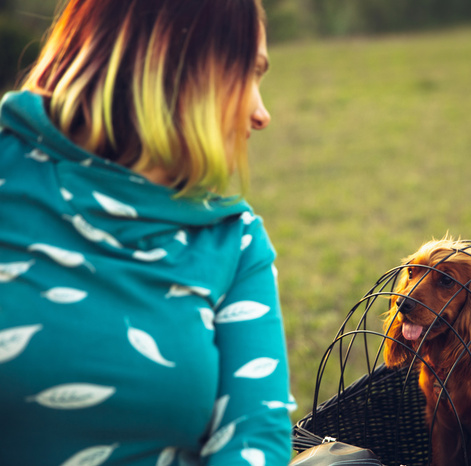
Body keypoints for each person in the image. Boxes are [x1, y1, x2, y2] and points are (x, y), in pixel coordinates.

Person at [0, 0, 294, 464]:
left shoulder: (231, 241)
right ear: (179, 64)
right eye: (250, 73)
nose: (261, 114)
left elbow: (254, 435)